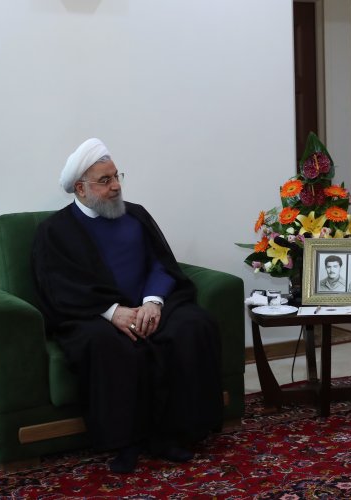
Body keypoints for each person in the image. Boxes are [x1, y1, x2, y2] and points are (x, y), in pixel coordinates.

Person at [32, 138, 223, 474]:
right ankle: (127, 442)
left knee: (194, 325)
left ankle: (174, 433)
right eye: (105, 180)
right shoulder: (55, 231)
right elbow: (60, 289)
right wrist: (112, 312)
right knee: (107, 344)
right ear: (81, 188)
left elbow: (161, 263)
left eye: (117, 176)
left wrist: (153, 302)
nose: (116, 186)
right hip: (92, 315)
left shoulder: (136, 215)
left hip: (147, 306)